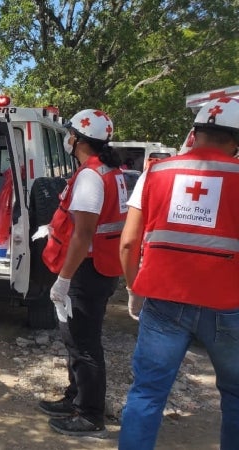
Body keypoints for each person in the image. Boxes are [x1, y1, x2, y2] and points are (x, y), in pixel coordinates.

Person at [118, 97, 239, 450]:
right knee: (234, 395)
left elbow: (128, 244)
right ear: (235, 140)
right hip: (229, 305)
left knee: (147, 393)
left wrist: (133, 288)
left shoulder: (156, 172)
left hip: (163, 300)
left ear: (195, 133)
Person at [38, 109, 127, 437]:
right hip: (98, 267)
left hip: (86, 271)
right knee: (74, 338)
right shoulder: (109, 171)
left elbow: (83, 233)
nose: (68, 138)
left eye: (70, 133)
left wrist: (64, 278)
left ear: (77, 139)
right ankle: (76, 397)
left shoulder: (91, 176)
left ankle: (89, 414)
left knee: (83, 343)